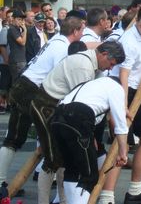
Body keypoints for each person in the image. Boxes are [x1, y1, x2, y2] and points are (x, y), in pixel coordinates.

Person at [34, 41, 125, 203]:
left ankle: (63, 200)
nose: (111, 68)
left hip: (61, 111)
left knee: (69, 165)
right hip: (48, 106)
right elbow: (82, 106)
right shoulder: (85, 67)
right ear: (104, 54)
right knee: (56, 161)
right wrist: (96, 140)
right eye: (111, 64)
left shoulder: (94, 69)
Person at [0, 16, 84, 186]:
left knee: (14, 139)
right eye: (82, 31)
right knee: (49, 137)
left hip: (23, 86)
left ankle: (2, 181)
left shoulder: (55, 41)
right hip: (31, 90)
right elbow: (60, 77)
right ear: (75, 32)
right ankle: (51, 173)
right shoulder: (62, 47)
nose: (83, 34)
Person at [101, 5, 141, 204]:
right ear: (136, 22)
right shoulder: (128, 42)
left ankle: (135, 190)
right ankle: (107, 196)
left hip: (136, 91)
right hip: (122, 89)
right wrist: (123, 105)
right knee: (121, 144)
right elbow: (123, 76)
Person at [51, 76, 129, 204]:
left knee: (72, 170)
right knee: (89, 177)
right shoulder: (116, 88)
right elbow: (120, 126)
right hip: (78, 117)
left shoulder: (88, 85)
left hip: (57, 117)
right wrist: (122, 153)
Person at [6, 9, 27, 82]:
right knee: (18, 83)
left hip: (20, 60)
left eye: (22, 19)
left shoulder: (17, 29)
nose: (21, 21)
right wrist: (25, 29)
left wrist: (23, 30)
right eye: (18, 19)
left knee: (19, 83)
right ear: (13, 19)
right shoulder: (12, 29)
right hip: (17, 61)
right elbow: (22, 42)